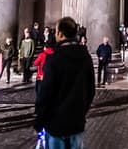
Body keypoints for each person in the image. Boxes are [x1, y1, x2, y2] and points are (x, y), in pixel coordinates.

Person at [34, 17, 95, 148]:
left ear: (60, 34)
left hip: (56, 125)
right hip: (76, 124)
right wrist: (81, 112)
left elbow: (45, 93)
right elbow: (91, 91)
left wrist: (39, 120)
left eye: (56, 32)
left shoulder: (54, 59)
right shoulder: (86, 58)